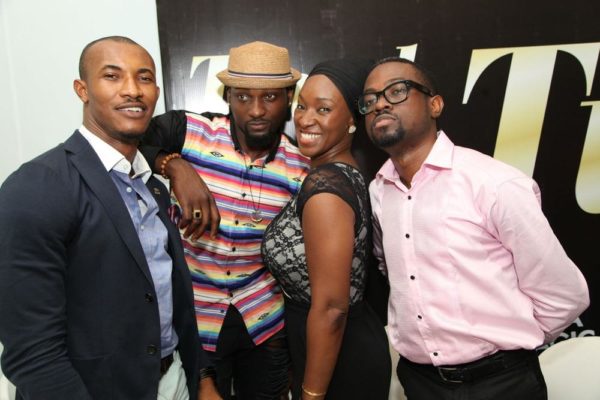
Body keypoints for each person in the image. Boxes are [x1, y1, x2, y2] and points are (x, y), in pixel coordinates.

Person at [0, 36, 221, 400]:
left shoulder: (154, 187)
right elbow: (32, 352)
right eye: (113, 76)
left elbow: (169, 299)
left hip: (173, 381)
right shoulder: (38, 186)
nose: (132, 90)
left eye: (144, 78)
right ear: (82, 89)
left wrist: (200, 377)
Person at [359, 56, 590, 400]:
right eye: (370, 99)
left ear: (435, 104)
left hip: (502, 384)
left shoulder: (494, 184)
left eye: (396, 91)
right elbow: (390, 267)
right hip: (420, 383)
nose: (380, 104)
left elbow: (564, 294)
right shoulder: (379, 192)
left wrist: (508, 350)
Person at [140, 41, 311, 399]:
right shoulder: (191, 133)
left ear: (289, 98)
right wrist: (176, 166)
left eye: (270, 97)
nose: (257, 110)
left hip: (263, 322)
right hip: (197, 320)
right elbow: (133, 138)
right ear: (228, 97)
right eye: (244, 97)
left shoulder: (301, 169)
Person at [261, 59, 391, 400]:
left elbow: (333, 307)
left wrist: (312, 395)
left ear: (352, 120)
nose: (305, 118)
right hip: (330, 349)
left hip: (339, 360)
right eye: (302, 106)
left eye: (324, 109)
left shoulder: (327, 185)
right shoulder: (341, 172)